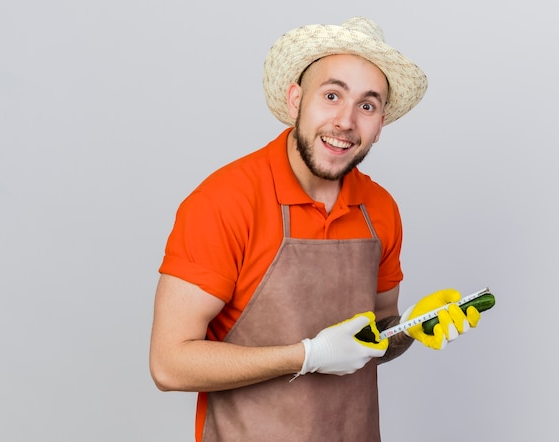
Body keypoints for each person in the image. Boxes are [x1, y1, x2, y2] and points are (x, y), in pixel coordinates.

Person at [149, 16, 481, 442]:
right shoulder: (225, 201)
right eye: (331, 95)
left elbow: (372, 338)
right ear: (295, 100)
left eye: (367, 105)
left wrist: (412, 326)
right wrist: (308, 356)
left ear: (380, 125)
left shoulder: (380, 209)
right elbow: (169, 363)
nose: (345, 121)